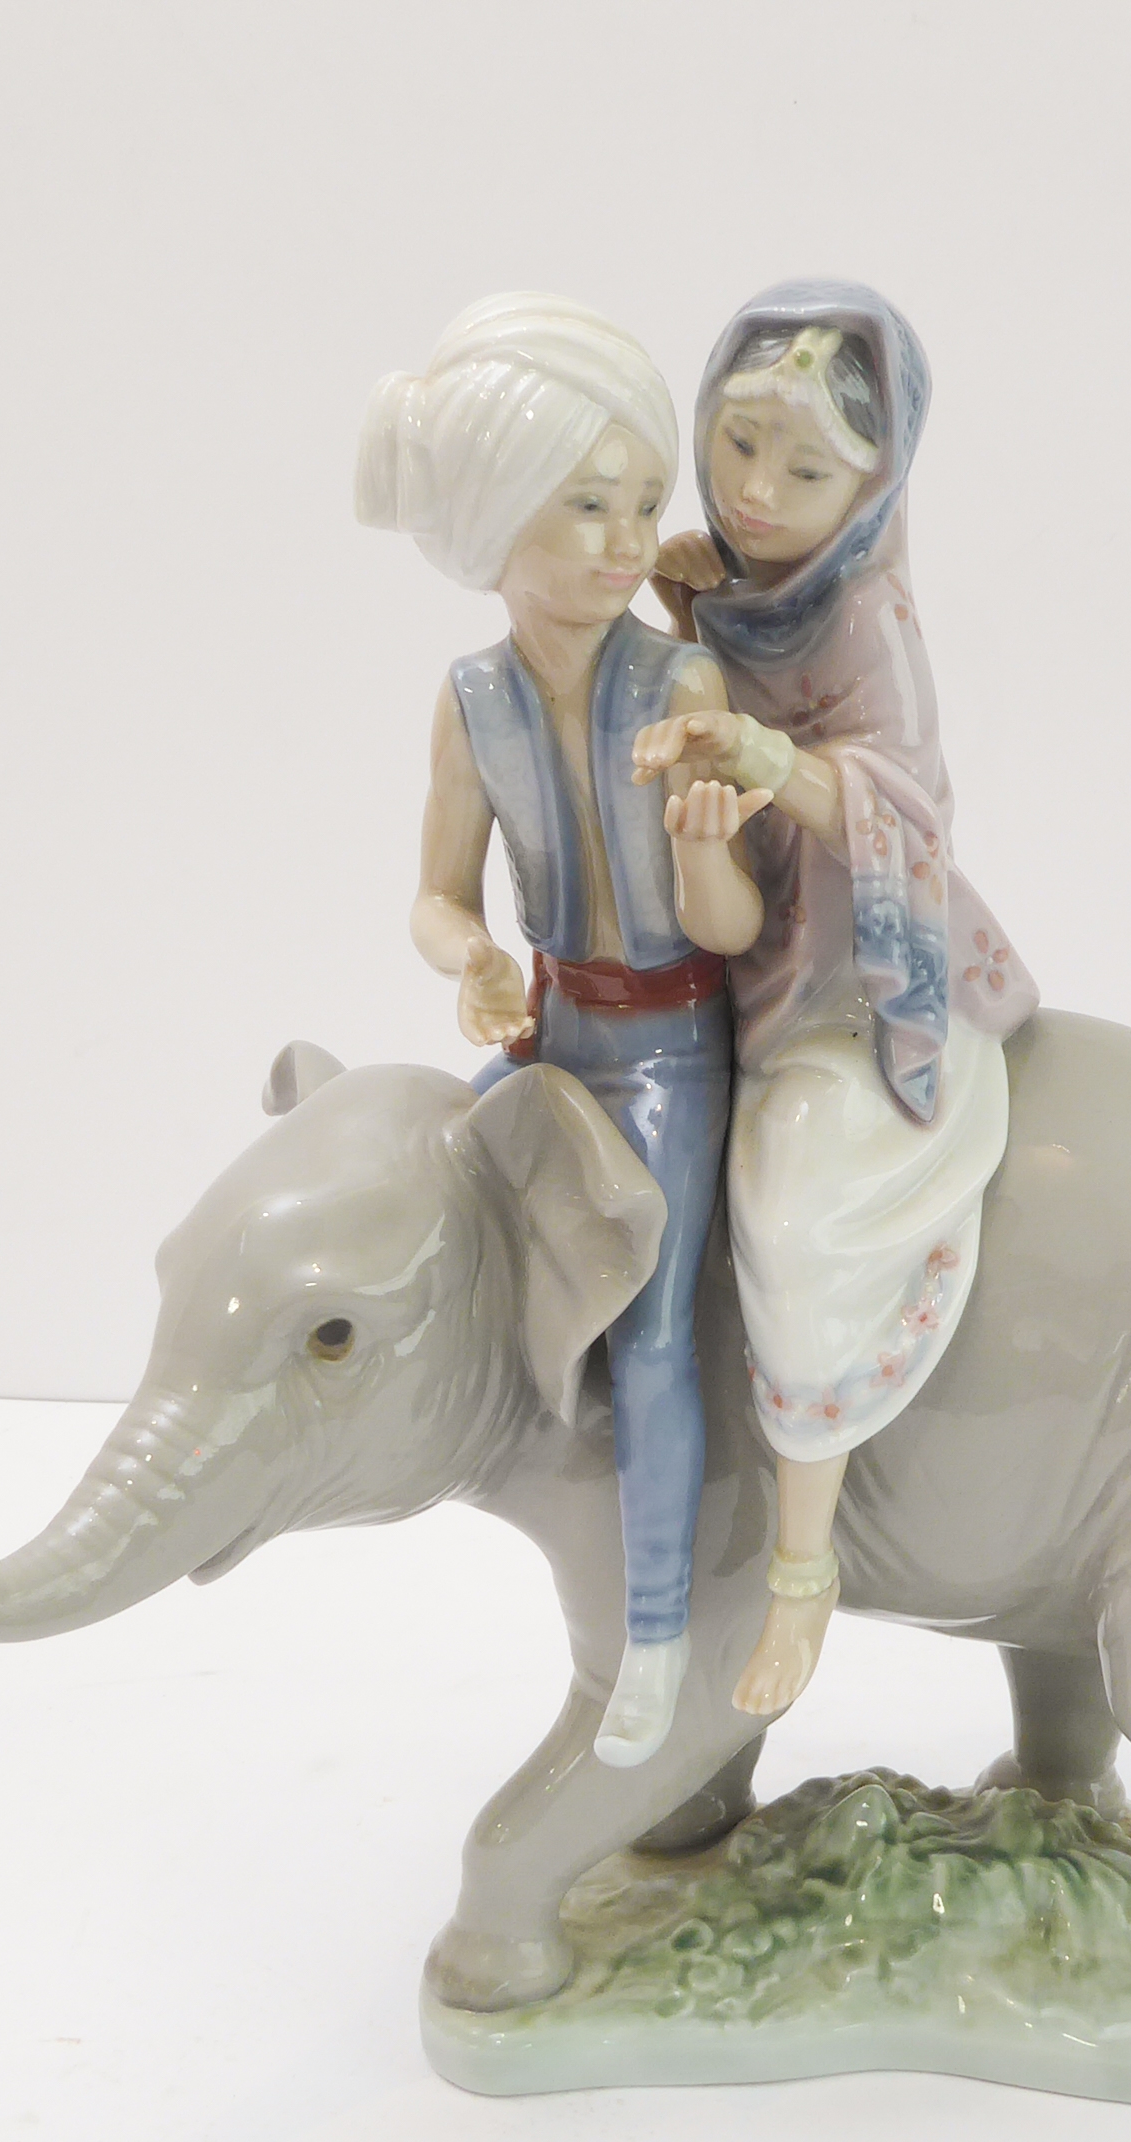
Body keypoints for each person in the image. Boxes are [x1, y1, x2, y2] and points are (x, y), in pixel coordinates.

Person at [356, 293, 760, 1767]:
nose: (624, 539)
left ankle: (655, 1634)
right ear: (494, 518)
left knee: (647, 1329)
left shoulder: (682, 682)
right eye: (586, 504)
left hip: (669, 1051)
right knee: (421, 1211)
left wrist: (704, 845)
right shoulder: (473, 701)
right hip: (551, 1035)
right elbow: (434, 896)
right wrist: (470, 962)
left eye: (642, 503)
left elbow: (728, 933)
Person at [633, 281, 1038, 1717]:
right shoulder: (723, 593)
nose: (756, 489)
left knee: (797, 1219)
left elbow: (905, 811)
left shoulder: (864, 618)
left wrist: (763, 760)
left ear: (872, 492)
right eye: (739, 442)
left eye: (806, 470)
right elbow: (726, 886)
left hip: (855, 985)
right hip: (744, 954)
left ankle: (804, 1566)